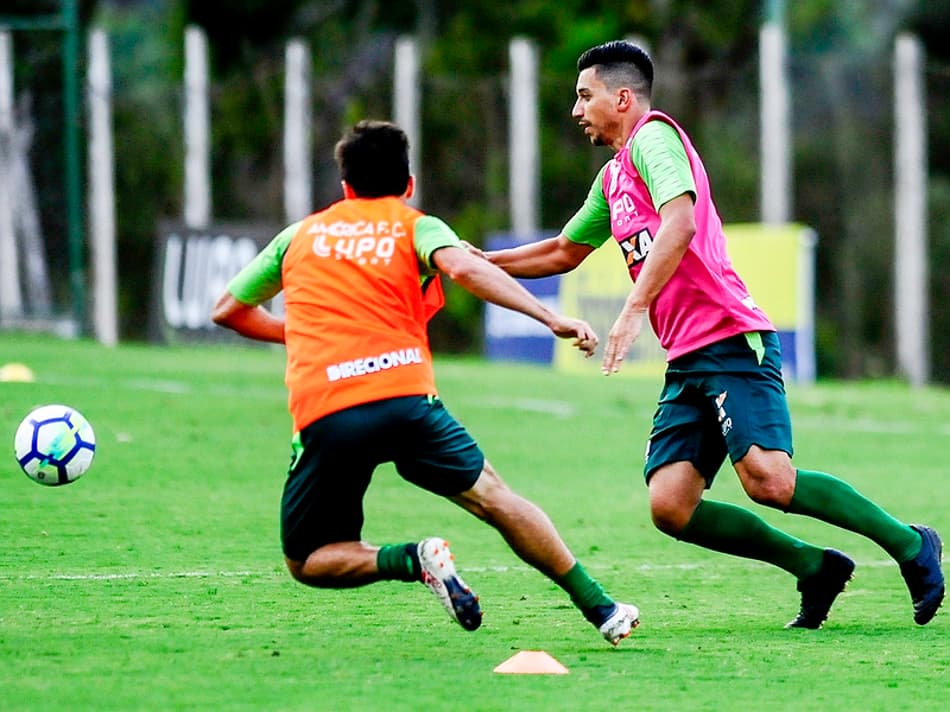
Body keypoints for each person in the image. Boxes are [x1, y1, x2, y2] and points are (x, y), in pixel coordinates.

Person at [482, 40, 944, 628]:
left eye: (584, 95)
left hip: (729, 336)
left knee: (769, 479)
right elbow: (562, 250)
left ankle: (910, 544)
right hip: (689, 356)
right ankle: (813, 566)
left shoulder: (653, 138)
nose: (576, 110)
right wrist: (473, 260)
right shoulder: (613, 177)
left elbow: (682, 219)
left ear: (622, 98)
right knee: (671, 506)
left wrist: (632, 308)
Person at [211, 119, 639, 645]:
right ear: (408, 183)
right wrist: (548, 317)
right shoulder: (415, 225)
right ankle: (602, 609)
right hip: (406, 401)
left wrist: (307, 338)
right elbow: (465, 270)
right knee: (496, 498)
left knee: (309, 559)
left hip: (328, 409)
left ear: (344, 186)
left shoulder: (299, 236)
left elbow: (228, 310)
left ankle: (412, 559)